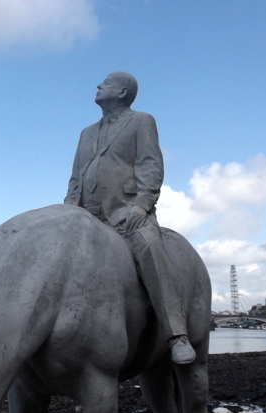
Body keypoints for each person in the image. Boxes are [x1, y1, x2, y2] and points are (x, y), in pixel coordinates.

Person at [64, 71, 196, 364]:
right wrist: (69, 209)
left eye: (106, 83)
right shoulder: (86, 133)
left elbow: (150, 165)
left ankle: (177, 334)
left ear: (122, 92)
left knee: (150, 248)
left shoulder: (142, 121)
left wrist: (141, 206)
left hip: (126, 211)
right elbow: (76, 176)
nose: (98, 85)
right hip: (85, 214)